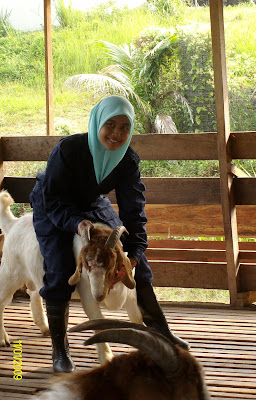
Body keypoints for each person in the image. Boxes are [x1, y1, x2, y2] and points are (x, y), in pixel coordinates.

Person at [30, 95, 189, 374]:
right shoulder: (69, 150)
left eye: (124, 127)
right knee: (59, 267)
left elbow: (133, 209)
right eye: (110, 124)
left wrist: (136, 253)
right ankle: (60, 347)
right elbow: (53, 199)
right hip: (53, 206)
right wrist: (76, 223)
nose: (116, 134)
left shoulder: (126, 159)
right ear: (97, 123)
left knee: (129, 255)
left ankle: (160, 329)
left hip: (91, 204)